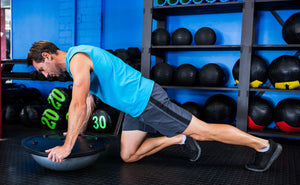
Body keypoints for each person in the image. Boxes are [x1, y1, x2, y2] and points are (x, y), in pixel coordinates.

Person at [27, 41, 282, 172]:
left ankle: (265, 146)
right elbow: (91, 101)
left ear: (46, 57)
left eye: (41, 69)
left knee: (203, 131)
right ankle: (177, 140)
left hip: (147, 100)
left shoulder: (77, 59)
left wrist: (67, 145)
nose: (45, 75)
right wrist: (77, 133)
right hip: (133, 108)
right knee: (128, 156)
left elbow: (79, 103)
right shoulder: (79, 60)